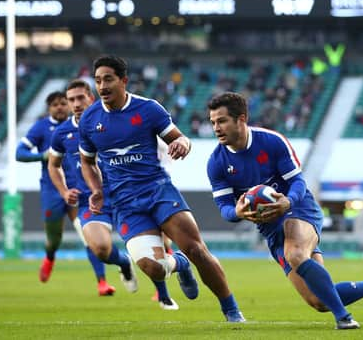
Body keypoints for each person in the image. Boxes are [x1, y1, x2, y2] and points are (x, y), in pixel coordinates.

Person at [206, 92, 363, 330]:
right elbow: (224, 208)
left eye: (221, 121)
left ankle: (344, 318)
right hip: (271, 229)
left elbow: (298, 182)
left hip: (299, 209)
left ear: (241, 119)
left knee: (295, 254)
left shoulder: (272, 141)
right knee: (318, 300)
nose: (216, 128)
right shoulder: (216, 163)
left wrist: (288, 202)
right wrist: (239, 213)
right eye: (213, 122)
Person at [78, 56, 245, 322]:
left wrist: (182, 144)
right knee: (153, 268)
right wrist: (96, 189)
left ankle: (231, 309)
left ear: (123, 80)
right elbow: (86, 162)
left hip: (158, 192)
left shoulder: (148, 109)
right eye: (98, 80)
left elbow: (180, 138)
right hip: (125, 204)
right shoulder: (89, 120)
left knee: (197, 249)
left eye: (108, 79)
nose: (102, 86)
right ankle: (180, 264)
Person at [49, 79, 179, 309]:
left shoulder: (116, 119)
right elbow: (53, 165)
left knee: (155, 244)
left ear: (92, 96)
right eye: (71, 100)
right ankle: (124, 263)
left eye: (81, 98)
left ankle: (163, 293)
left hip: (125, 196)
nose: (76, 104)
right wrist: (63, 190)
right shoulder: (62, 133)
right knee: (100, 249)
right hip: (91, 201)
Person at [16, 91, 115, 295]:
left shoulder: (83, 126)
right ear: (49, 108)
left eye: (63, 103)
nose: (60, 107)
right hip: (52, 190)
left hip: (79, 189)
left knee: (87, 233)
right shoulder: (42, 128)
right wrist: (44, 156)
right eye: (55, 104)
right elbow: (20, 153)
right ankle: (50, 256)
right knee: (54, 238)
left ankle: (102, 282)